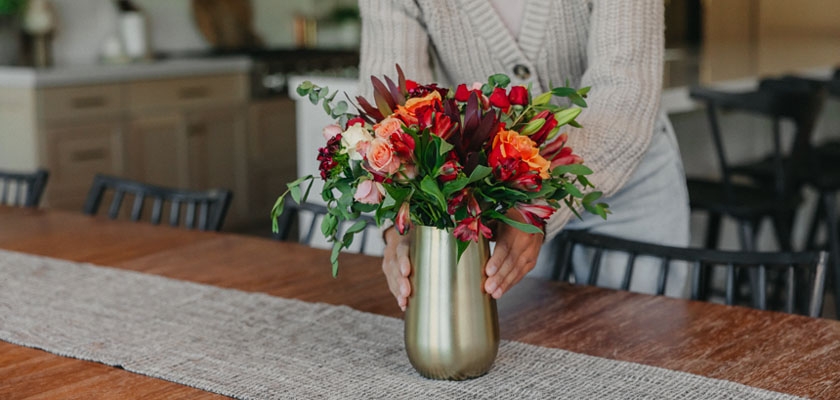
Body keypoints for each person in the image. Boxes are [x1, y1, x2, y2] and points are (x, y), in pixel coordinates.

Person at [358, 0, 691, 310]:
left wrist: (533, 206)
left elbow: (624, 94)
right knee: (515, 348)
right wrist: (403, 220)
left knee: (640, 343)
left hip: (624, 186)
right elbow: (393, 108)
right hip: (493, 198)